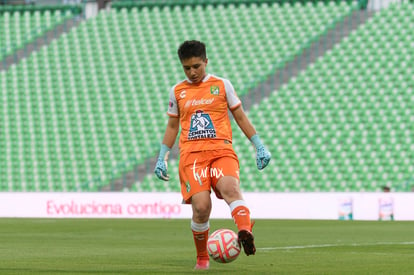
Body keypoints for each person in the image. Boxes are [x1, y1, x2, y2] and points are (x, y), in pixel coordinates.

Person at [154, 40, 271, 270]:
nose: (192, 72)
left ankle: (245, 230)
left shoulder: (222, 85)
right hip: (192, 156)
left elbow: (239, 116)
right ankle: (202, 259)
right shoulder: (177, 91)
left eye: (197, 66)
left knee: (231, 188)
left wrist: (258, 145)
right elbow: (172, 126)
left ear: (206, 61)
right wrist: (162, 156)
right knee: (201, 207)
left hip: (221, 150)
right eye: (187, 68)